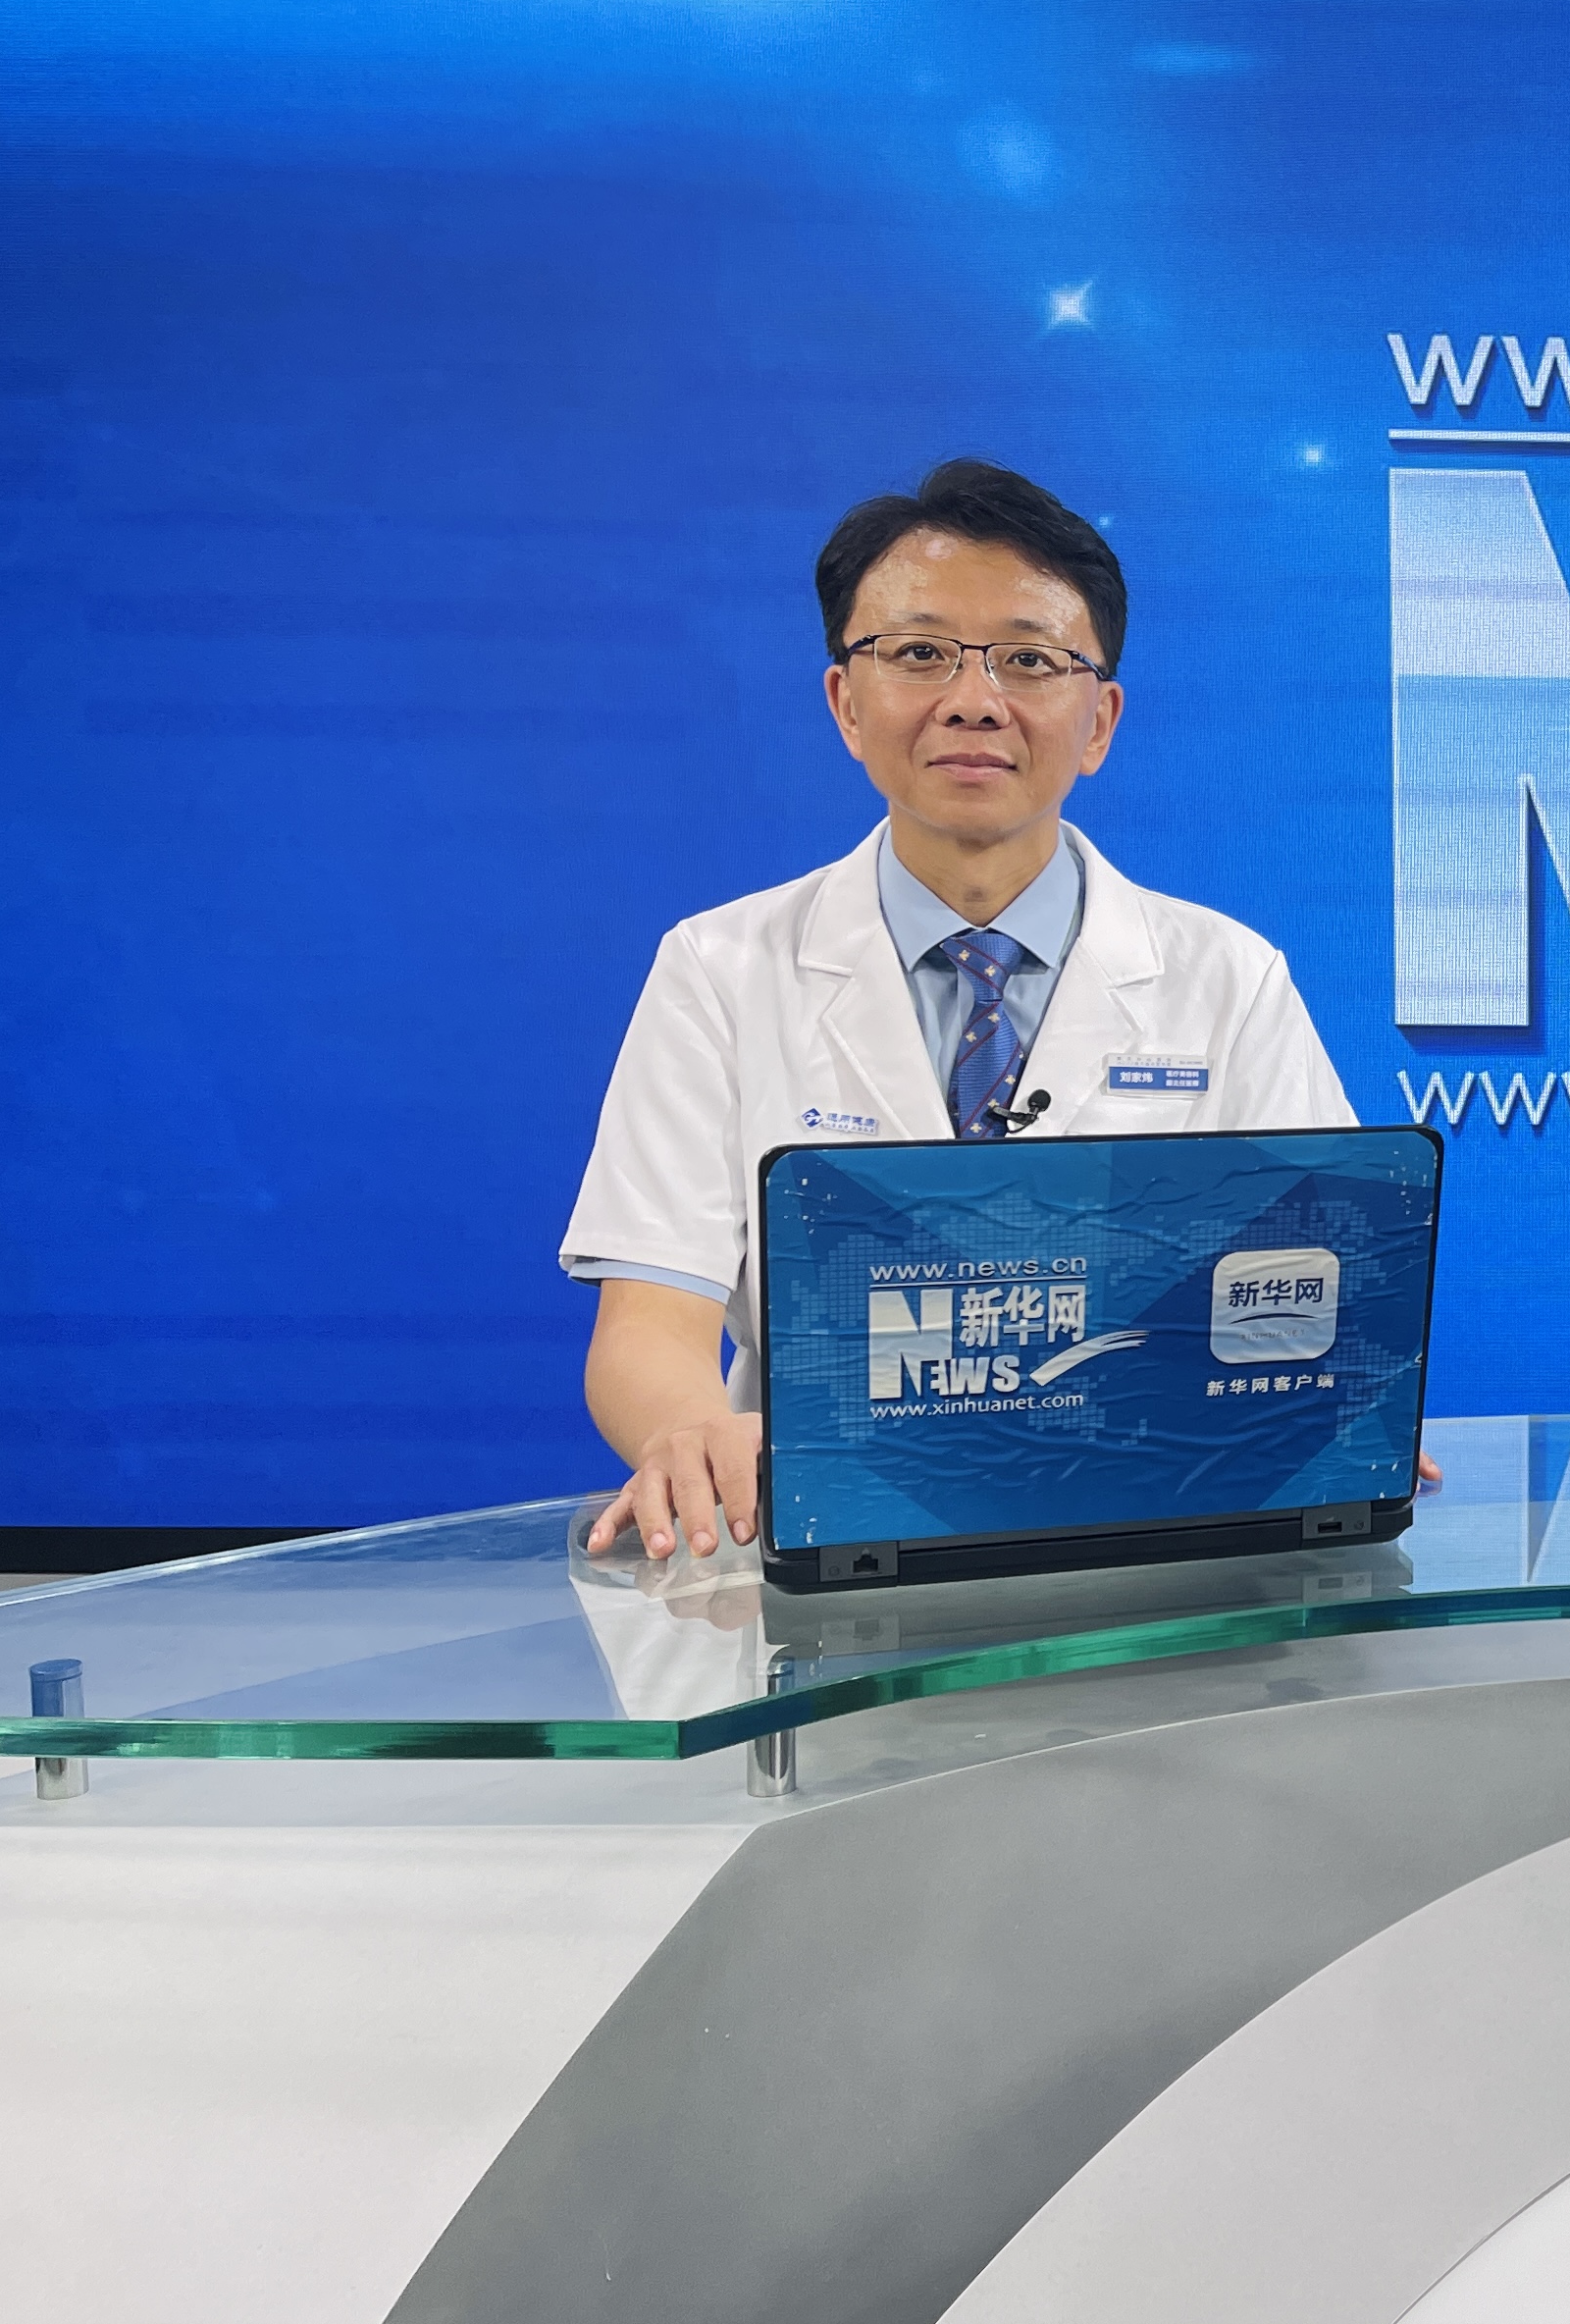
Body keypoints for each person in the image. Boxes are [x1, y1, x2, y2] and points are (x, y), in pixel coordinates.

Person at [565, 460, 1353, 1560]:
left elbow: (1313, 1290)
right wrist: (690, 1433)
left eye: (1029, 660)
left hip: (1151, 1548)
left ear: (1099, 721)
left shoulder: (1228, 979)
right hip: (819, 1549)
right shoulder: (721, 969)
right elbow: (650, 1320)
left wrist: (1327, 1403)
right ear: (847, 702)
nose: (974, 699)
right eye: (919, 653)